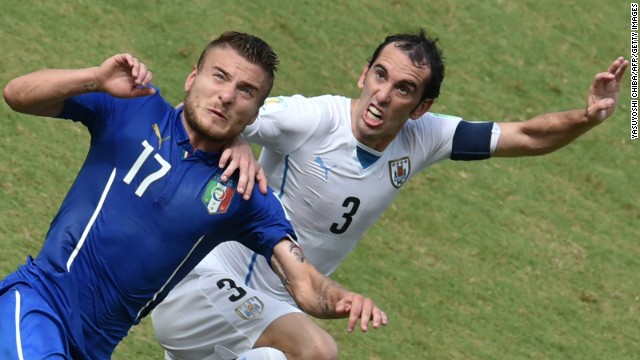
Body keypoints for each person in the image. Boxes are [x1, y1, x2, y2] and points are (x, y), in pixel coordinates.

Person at [152, 28, 629, 360]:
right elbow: (193, 114)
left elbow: (525, 135)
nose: (382, 95)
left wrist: (585, 118)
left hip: (264, 320)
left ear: (421, 107)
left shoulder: (424, 139)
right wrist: (237, 139)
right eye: (380, 76)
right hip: (205, 282)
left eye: (403, 89)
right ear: (364, 74)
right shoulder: (313, 119)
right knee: (316, 351)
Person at [0, 31, 387, 360]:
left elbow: (302, 281)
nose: (226, 96)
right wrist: (95, 78)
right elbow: (18, 94)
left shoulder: (245, 193)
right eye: (219, 77)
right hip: (38, 304)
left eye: (245, 91)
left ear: (255, 114)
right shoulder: (132, 107)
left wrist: (343, 299)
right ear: (192, 78)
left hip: (94, 347)